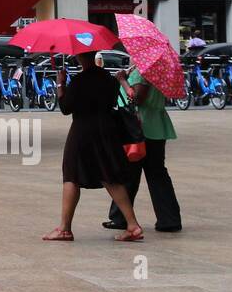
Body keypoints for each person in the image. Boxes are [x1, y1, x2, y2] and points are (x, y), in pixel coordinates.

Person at [42, 51, 144, 243]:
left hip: (82, 131)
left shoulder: (79, 81)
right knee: (109, 175)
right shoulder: (109, 79)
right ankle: (132, 224)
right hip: (107, 130)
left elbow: (65, 108)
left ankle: (64, 228)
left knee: (71, 174)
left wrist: (60, 83)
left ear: (80, 57)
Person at [105, 69, 181, 233]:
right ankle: (169, 219)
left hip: (140, 126)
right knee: (156, 173)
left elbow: (137, 97)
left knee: (130, 172)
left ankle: (120, 217)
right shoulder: (159, 71)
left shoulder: (143, 71)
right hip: (156, 124)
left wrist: (122, 80)